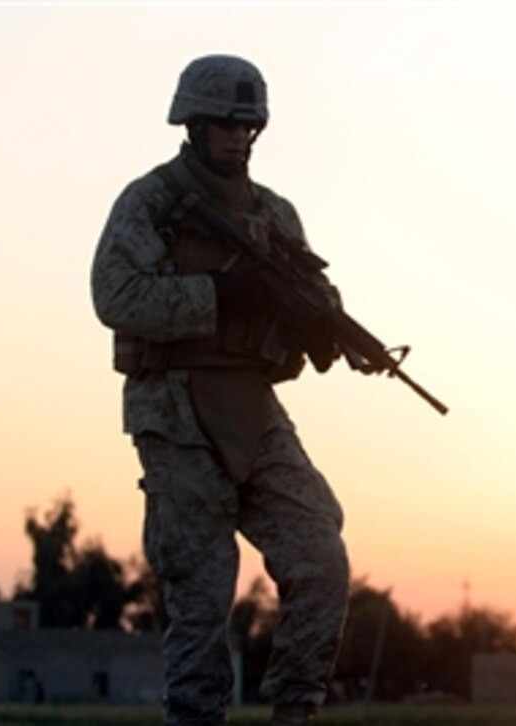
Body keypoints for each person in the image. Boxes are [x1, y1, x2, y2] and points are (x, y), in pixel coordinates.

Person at [92, 55, 350, 725]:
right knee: (203, 594)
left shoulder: (274, 215)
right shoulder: (151, 201)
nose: (240, 138)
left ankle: (296, 708)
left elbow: (308, 294)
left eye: (249, 127)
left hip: (254, 410)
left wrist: (320, 327)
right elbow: (116, 296)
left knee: (320, 553)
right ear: (194, 124)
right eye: (226, 125)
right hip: (175, 409)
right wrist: (225, 294)